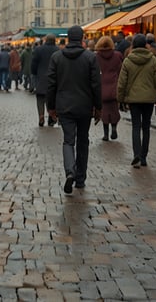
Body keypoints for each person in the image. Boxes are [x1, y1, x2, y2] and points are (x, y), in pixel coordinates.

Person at [47, 26, 101, 193]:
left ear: (68, 38)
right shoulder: (90, 57)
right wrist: (98, 107)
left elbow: (51, 84)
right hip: (84, 106)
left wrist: (51, 107)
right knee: (83, 141)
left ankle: (70, 170)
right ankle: (80, 178)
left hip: (64, 105)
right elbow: (96, 85)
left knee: (68, 140)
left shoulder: (56, 57)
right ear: (82, 38)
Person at [117, 34, 156, 168]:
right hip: (149, 99)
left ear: (133, 45)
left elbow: (122, 82)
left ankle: (136, 155)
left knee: (136, 126)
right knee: (146, 127)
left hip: (133, 99)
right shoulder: (153, 60)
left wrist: (120, 99)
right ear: (146, 45)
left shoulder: (128, 61)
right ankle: (144, 157)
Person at [95, 36, 123, 141]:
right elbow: (121, 70)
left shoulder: (97, 56)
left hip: (102, 85)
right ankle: (114, 128)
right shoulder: (117, 55)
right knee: (114, 109)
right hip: (114, 86)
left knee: (104, 111)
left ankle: (106, 134)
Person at [31, 34, 59, 126]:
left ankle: (41, 116)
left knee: (40, 98)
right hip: (53, 78)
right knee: (51, 99)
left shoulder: (38, 49)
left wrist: (35, 73)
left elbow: (34, 64)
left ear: (46, 40)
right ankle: (51, 118)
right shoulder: (58, 50)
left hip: (41, 77)